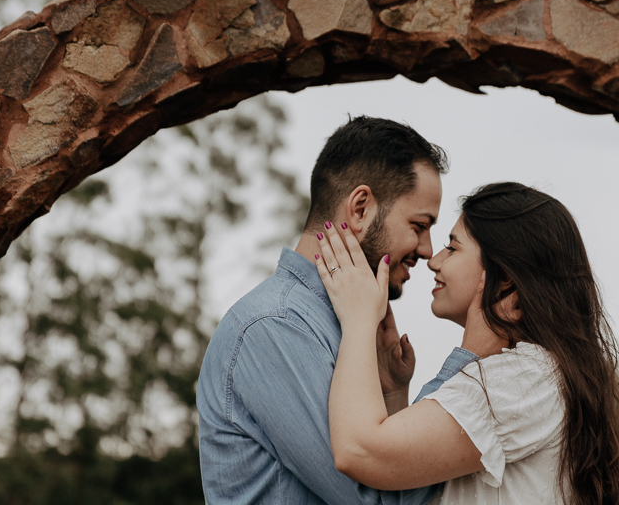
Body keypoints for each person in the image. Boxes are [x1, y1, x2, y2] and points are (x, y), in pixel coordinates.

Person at [196, 116, 480, 504]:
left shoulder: (352, 327)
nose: (428, 250)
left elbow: (388, 471)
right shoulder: (275, 328)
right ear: (360, 209)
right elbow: (377, 500)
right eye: (419, 225)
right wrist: (476, 363)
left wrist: (394, 394)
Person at [316, 182, 619, 505]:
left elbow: (359, 451)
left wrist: (359, 318)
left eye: (453, 248)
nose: (434, 261)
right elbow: (408, 479)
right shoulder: (534, 373)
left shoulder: (523, 377)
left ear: (505, 277)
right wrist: (395, 393)